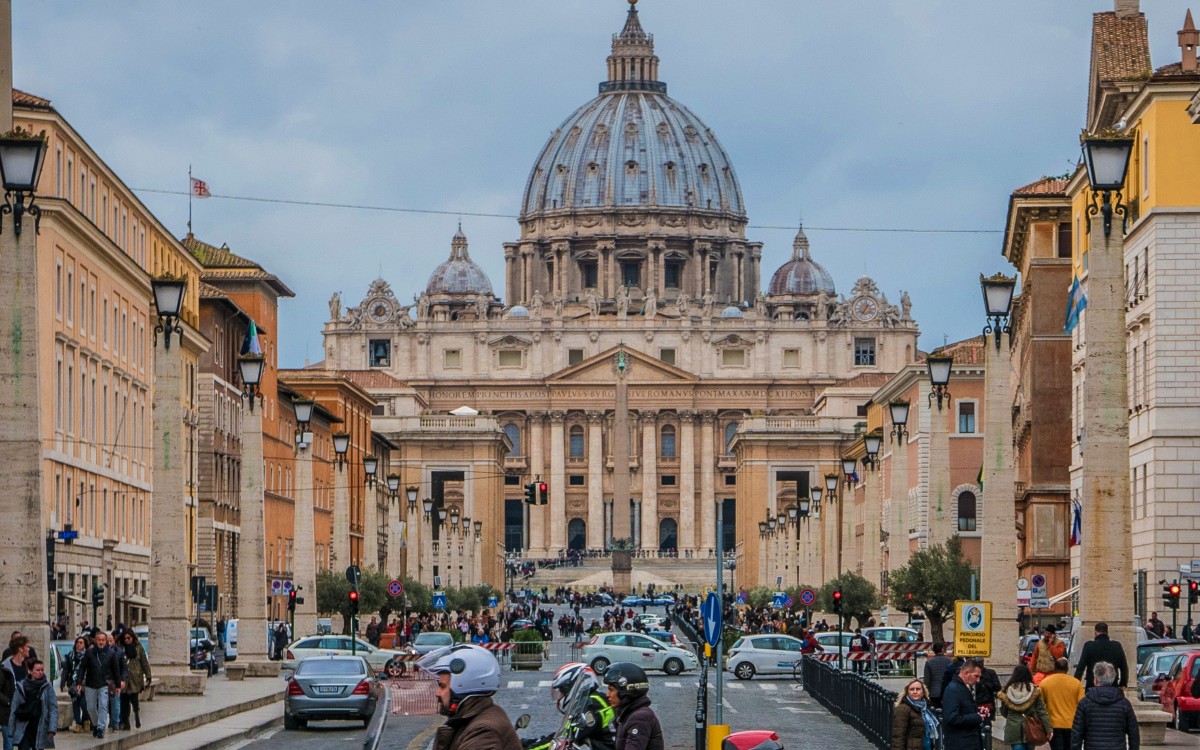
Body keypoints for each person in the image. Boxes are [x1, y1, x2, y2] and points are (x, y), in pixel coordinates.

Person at [421, 644, 520, 750]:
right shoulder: (470, 718)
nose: (437, 693)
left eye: (442, 686)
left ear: (462, 685)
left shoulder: (484, 731)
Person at [1070, 661, 1139, 750]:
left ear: (1096, 680)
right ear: (1113, 679)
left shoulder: (1084, 703)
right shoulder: (1124, 704)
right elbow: (1133, 733)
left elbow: (1076, 734)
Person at [548, 663, 616, 750]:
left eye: (562, 691)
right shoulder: (598, 699)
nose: (560, 696)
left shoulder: (590, 704)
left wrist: (531, 746)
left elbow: (564, 738)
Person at [74, 631, 123, 739]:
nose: (101, 642)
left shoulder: (111, 653)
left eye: (103, 640)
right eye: (99, 640)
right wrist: (78, 682)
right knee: (90, 707)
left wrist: (118, 685)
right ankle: (96, 724)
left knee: (103, 705)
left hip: (104, 684)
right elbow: (82, 668)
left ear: (106, 641)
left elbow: (116, 670)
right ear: (95, 641)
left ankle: (101, 728)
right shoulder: (89, 653)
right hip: (90, 684)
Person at [603, 662, 663, 750]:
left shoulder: (640, 717)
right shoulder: (627, 714)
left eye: (611, 690)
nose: (607, 695)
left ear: (626, 691)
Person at [998, 664, 1053, 749]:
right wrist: (1048, 729)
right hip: (1031, 729)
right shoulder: (1034, 691)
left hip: (1013, 729)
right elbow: (1042, 711)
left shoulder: (1007, 691)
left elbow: (1004, 711)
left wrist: (1012, 718)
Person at [7, 660, 56, 750]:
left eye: (42, 670)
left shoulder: (47, 687)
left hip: (40, 726)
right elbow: (14, 709)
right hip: (23, 725)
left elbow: (53, 708)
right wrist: (11, 730)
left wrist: (52, 728)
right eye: (37, 670)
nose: (40, 672)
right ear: (30, 671)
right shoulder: (21, 686)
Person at [1040, 658, 1085, 750]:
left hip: (1053, 725)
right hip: (1072, 724)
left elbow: (1040, 705)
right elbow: (1082, 704)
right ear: (1067, 668)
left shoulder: (1045, 683)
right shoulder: (1076, 683)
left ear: (1054, 667)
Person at [941, 658, 984, 750]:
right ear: (966, 673)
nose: (978, 680)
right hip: (960, 744)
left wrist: (978, 711)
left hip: (966, 742)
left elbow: (964, 709)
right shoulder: (953, 689)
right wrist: (977, 717)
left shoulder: (962, 688)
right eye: (976, 676)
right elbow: (952, 718)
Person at [1073, 622, 1129, 691]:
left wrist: (1075, 683)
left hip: (1092, 686)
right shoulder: (1116, 646)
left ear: (1095, 633)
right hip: (1112, 685)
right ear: (1107, 632)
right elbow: (1124, 667)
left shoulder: (1089, 646)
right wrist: (1123, 683)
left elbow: (1080, 667)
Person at [891, 678, 940, 750]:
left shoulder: (925, 709)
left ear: (923, 692)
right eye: (911, 689)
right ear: (907, 692)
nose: (915, 692)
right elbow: (898, 736)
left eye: (918, 689)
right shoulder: (903, 709)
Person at [119, 630, 150, 730]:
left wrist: (148, 674)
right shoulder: (120, 648)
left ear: (132, 638)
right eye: (125, 638)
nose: (127, 640)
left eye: (129, 638)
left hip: (135, 678)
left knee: (134, 699)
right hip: (123, 678)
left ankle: (136, 715)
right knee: (124, 702)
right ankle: (126, 722)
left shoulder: (138, 647)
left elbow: (144, 662)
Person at [59, 637, 88, 733]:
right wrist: (63, 682)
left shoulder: (88, 656)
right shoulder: (70, 656)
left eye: (81, 642)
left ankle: (86, 721)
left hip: (86, 683)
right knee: (75, 702)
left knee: (84, 703)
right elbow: (66, 670)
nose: (79, 644)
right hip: (73, 683)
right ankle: (78, 723)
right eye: (78, 642)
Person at [923, 642, 953, 710]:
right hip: (947, 691)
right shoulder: (949, 661)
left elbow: (927, 680)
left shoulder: (929, 662)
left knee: (935, 712)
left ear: (933, 650)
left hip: (933, 692)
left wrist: (925, 692)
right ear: (942, 649)